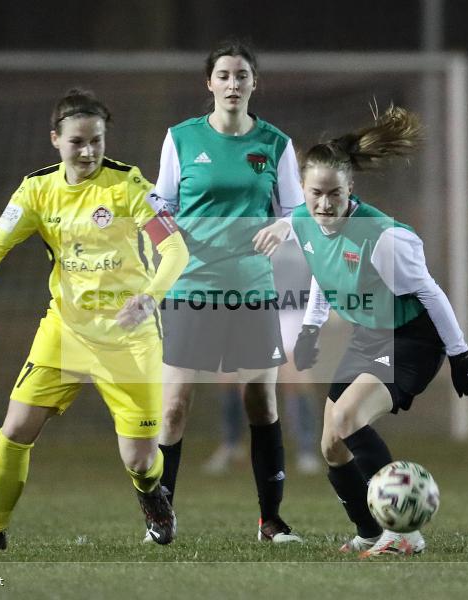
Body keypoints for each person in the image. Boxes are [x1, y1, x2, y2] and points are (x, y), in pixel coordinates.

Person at [0, 88, 189, 551]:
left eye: (96, 140)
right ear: (55, 139)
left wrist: (150, 297)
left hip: (128, 334)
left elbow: (175, 248)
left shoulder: (129, 185)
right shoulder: (36, 189)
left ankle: (152, 494)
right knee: (16, 428)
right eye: (77, 141)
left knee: (139, 460)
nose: (89, 150)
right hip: (67, 329)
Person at [281, 103, 468, 556]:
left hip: (412, 339)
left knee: (350, 417)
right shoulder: (301, 220)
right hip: (368, 336)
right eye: (315, 193)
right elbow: (321, 271)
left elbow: (430, 293)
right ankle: (369, 532)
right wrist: (311, 330)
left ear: (350, 188)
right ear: (303, 189)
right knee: (332, 443)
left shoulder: (383, 237)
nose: (324, 204)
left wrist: (460, 355)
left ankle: (405, 534)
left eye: (334, 194)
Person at [152, 39, 305, 542]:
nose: (233, 84)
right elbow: (159, 206)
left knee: (261, 401)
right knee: (174, 405)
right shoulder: (180, 138)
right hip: (191, 285)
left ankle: (272, 521)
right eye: (224, 76)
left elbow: (298, 212)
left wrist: (284, 229)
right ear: (209, 83)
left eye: (242, 76)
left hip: (252, 288)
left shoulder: (277, 144)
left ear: (254, 83)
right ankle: (161, 519)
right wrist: (161, 243)